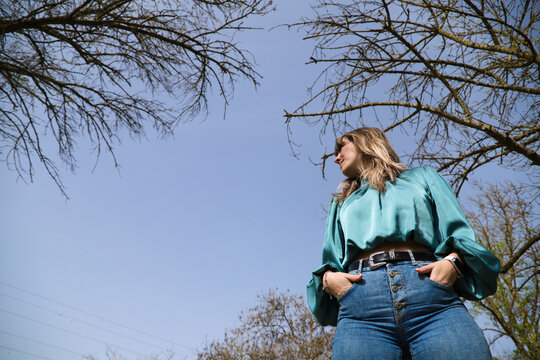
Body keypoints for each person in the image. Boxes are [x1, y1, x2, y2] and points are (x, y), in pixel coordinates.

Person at [307, 128, 500, 360]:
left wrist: (453, 262)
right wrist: (330, 280)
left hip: (432, 298)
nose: (336, 157)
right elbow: (331, 259)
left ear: (365, 143)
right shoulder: (341, 201)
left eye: (341, 148)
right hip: (361, 306)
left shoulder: (423, 177)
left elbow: (458, 231)